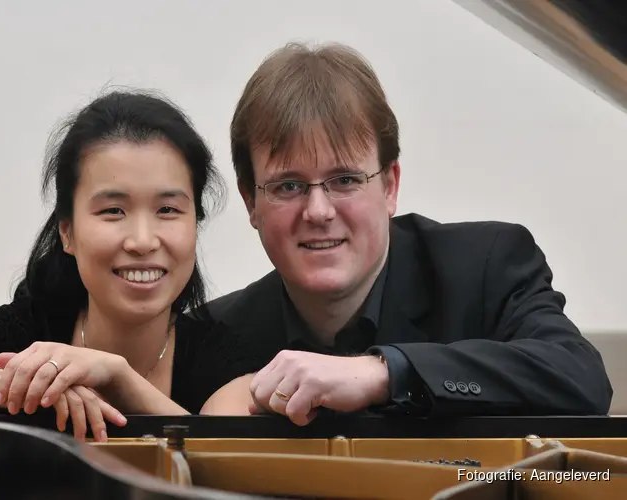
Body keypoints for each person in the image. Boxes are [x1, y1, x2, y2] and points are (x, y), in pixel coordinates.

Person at [196, 42, 613, 426]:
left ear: (389, 186)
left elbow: (581, 378)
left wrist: (385, 372)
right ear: (251, 201)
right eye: (288, 186)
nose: (318, 211)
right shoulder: (216, 336)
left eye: (344, 180)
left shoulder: (486, 267)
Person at [0, 90, 228, 440]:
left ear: (195, 224)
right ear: (67, 233)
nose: (142, 241)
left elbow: (238, 462)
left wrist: (119, 378)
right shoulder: (10, 340)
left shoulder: (225, 357)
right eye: (113, 211)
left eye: (167, 210)